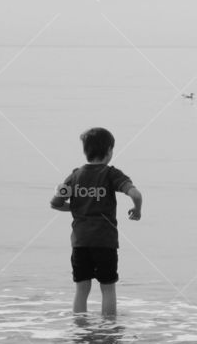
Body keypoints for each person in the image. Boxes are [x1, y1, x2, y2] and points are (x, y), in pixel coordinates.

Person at [50, 128, 142, 317]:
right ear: (109, 150)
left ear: (85, 151)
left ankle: (80, 331)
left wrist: (77, 208)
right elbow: (135, 194)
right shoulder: (111, 174)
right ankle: (108, 331)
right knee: (107, 288)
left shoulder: (74, 176)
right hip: (105, 242)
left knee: (81, 288)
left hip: (80, 243)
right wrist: (137, 210)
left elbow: (56, 204)